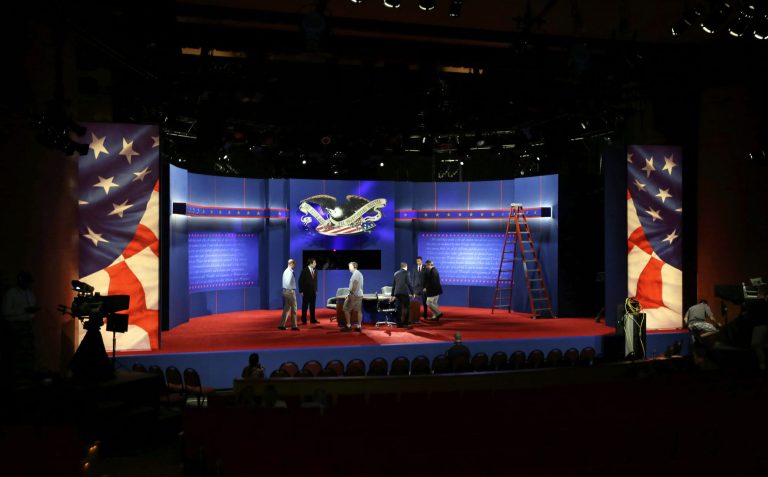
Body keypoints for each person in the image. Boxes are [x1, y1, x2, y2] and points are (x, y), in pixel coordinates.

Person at [2, 271, 40, 376]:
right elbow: (6, 312)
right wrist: (24, 310)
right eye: (26, 282)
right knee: (17, 352)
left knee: (29, 352)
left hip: (28, 325)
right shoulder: (11, 293)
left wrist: (32, 312)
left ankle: (27, 374)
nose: (28, 285)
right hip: (15, 326)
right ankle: (16, 375)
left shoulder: (30, 293)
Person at [390, 262, 414, 328]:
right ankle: (406, 323)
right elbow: (409, 284)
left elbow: (394, 285)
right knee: (407, 307)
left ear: (401, 267)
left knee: (399, 308)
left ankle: (399, 324)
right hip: (404, 293)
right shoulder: (407, 273)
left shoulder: (396, 273)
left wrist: (392, 295)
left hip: (397, 293)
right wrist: (412, 293)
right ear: (406, 266)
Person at [342, 261, 364, 332]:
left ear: (354, 266)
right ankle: (359, 326)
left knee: (346, 308)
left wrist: (349, 294)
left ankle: (348, 326)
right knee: (359, 310)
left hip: (354, 295)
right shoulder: (358, 273)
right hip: (359, 295)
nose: (349, 267)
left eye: (350, 266)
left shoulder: (356, 274)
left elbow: (354, 286)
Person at [278, 259, 299, 331]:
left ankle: (281, 324)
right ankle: (294, 326)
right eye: (294, 264)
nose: (295, 265)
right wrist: (290, 290)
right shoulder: (289, 272)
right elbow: (288, 283)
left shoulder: (285, 271)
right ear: (291, 264)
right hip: (290, 292)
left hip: (285, 291)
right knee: (294, 309)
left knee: (286, 309)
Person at [298, 258, 319, 325]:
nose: (315, 264)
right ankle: (304, 320)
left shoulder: (315, 271)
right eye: (314, 263)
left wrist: (316, 289)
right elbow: (300, 281)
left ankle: (312, 319)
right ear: (310, 263)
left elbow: (315, 281)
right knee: (305, 306)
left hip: (313, 291)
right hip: (306, 291)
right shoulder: (304, 270)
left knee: (312, 306)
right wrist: (301, 291)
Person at [412, 256, 428, 321]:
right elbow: (413, 277)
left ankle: (425, 314)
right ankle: (416, 314)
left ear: (421, 261)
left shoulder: (425, 268)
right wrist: (412, 286)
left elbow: (427, 279)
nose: (417, 262)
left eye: (419, 261)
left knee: (424, 302)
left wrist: (426, 287)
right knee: (416, 302)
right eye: (417, 261)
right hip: (416, 288)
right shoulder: (414, 268)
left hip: (423, 288)